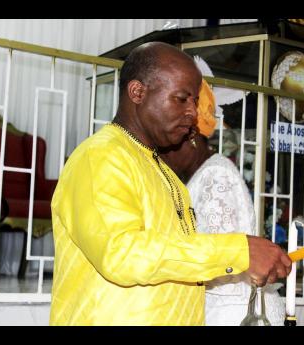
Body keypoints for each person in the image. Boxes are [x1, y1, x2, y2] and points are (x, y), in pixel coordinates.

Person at [49, 42, 291, 326]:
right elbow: (121, 253)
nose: (193, 113)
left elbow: (175, 258)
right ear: (138, 92)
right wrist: (238, 251)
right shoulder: (101, 156)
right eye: (181, 98)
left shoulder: (162, 170)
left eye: (195, 101)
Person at [159, 79, 285, 326]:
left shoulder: (215, 175)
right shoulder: (206, 171)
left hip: (233, 313)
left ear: (192, 137)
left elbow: (223, 258)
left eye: (168, 145)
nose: (163, 154)